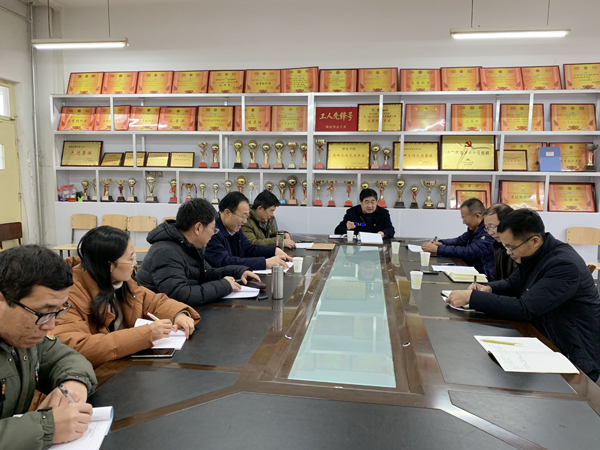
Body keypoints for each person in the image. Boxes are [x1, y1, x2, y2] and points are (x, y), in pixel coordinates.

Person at [447, 209, 600, 381]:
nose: (508, 252)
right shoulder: (537, 253)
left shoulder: (563, 265)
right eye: (506, 247)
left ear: (534, 241)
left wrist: (472, 298)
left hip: (572, 356)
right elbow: (513, 283)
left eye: (511, 247)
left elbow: (525, 309)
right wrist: (488, 289)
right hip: (544, 337)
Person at [54, 226, 201, 368]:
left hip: (124, 365)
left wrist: (178, 314)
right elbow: (79, 347)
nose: (135, 263)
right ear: (109, 265)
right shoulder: (66, 295)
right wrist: (146, 334)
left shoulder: (122, 282)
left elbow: (153, 301)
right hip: (99, 374)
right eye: (130, 258)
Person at [0, 245, 98, 449]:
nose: (50, 325)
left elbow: (66, 358)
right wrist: (45, 428)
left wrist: (74, 383)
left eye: (57, 311)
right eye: (43, 312)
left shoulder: (24, 336)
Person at [137, 199, 260, 306]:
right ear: (198, 228)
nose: (213, 234)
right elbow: (181, 295)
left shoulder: (189, 245)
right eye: (213, 229)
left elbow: (207, 273)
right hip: (156, 318)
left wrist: (239, 271)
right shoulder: (165, 252)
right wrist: (224, 286)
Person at [205, 192, 293, 271]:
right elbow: (225, 262)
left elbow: (249, 248)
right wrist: (264, 262)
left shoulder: (234, 227)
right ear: (227, 213)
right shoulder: (212, 232)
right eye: (243, 216)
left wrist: (274, 251)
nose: (245, 221)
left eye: (247, 217)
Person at [421, 198, 494, 279]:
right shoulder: (475, 229)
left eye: (465, 219)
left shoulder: (489, 232)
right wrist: (440, 243)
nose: (463, 222)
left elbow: (469, 252)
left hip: (483, 276)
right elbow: (459, 241)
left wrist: (438, 249)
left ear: (478, 216)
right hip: (470, 270)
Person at [483, 203, 518, 281]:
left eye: (492, 227)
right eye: (487, 228)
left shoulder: (519, 248)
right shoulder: (498, 246)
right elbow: (496, 277)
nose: (490, 233)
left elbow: (513, 283)